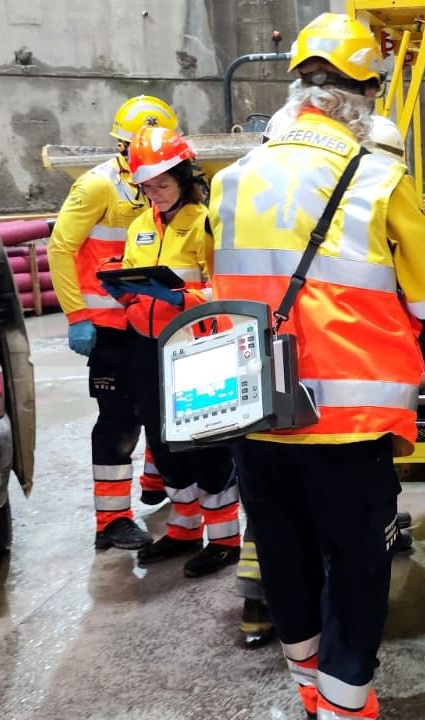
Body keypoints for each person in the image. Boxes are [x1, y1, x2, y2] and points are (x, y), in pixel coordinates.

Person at [205, 13, 425, 720]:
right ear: (362, 99)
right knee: (360, 564)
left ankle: (308, 689)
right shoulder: (378, 176)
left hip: (254, 410)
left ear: (297, 94)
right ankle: (346, 705)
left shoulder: (234, 178)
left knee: (283, 558)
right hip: (349, 421)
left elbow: (216, 287)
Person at [99, 125, 243, 577]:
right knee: (163, 442)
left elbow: (225, 287)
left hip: (197, 347)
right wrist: (124, 292)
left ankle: (224, 539)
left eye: (162, 184)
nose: (155, 194)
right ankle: (183, 527)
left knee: (206, 442)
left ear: (183, 176)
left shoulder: (206, 222)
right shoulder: (140, 226)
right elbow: (135, 276)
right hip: (146, 347)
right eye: (146, 186)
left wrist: (185, 297)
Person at [48, 95, 178, 551]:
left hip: (155, 322)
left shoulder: (165, 187)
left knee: (161, 409)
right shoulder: (97, 187)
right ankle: (112, 520)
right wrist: (77, 316)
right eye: (130, 147)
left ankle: (155, 481)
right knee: (119, 422)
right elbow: (60, 248)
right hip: (109, 327)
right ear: (121, 145)